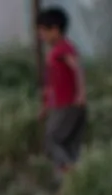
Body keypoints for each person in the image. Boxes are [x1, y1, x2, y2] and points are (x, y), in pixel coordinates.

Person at [37, 6, 87, 173]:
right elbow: (50, 83)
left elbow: (77, 68)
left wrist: (81, 93)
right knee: (68, 145)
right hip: (63, 104)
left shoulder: (63, 49)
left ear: (55, 30)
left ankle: (70, 174)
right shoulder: (56, 52)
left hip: (67, 105)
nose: (41, 35)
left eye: (43, 30)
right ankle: (71, 187)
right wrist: (45, 106)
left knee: (51, 140)